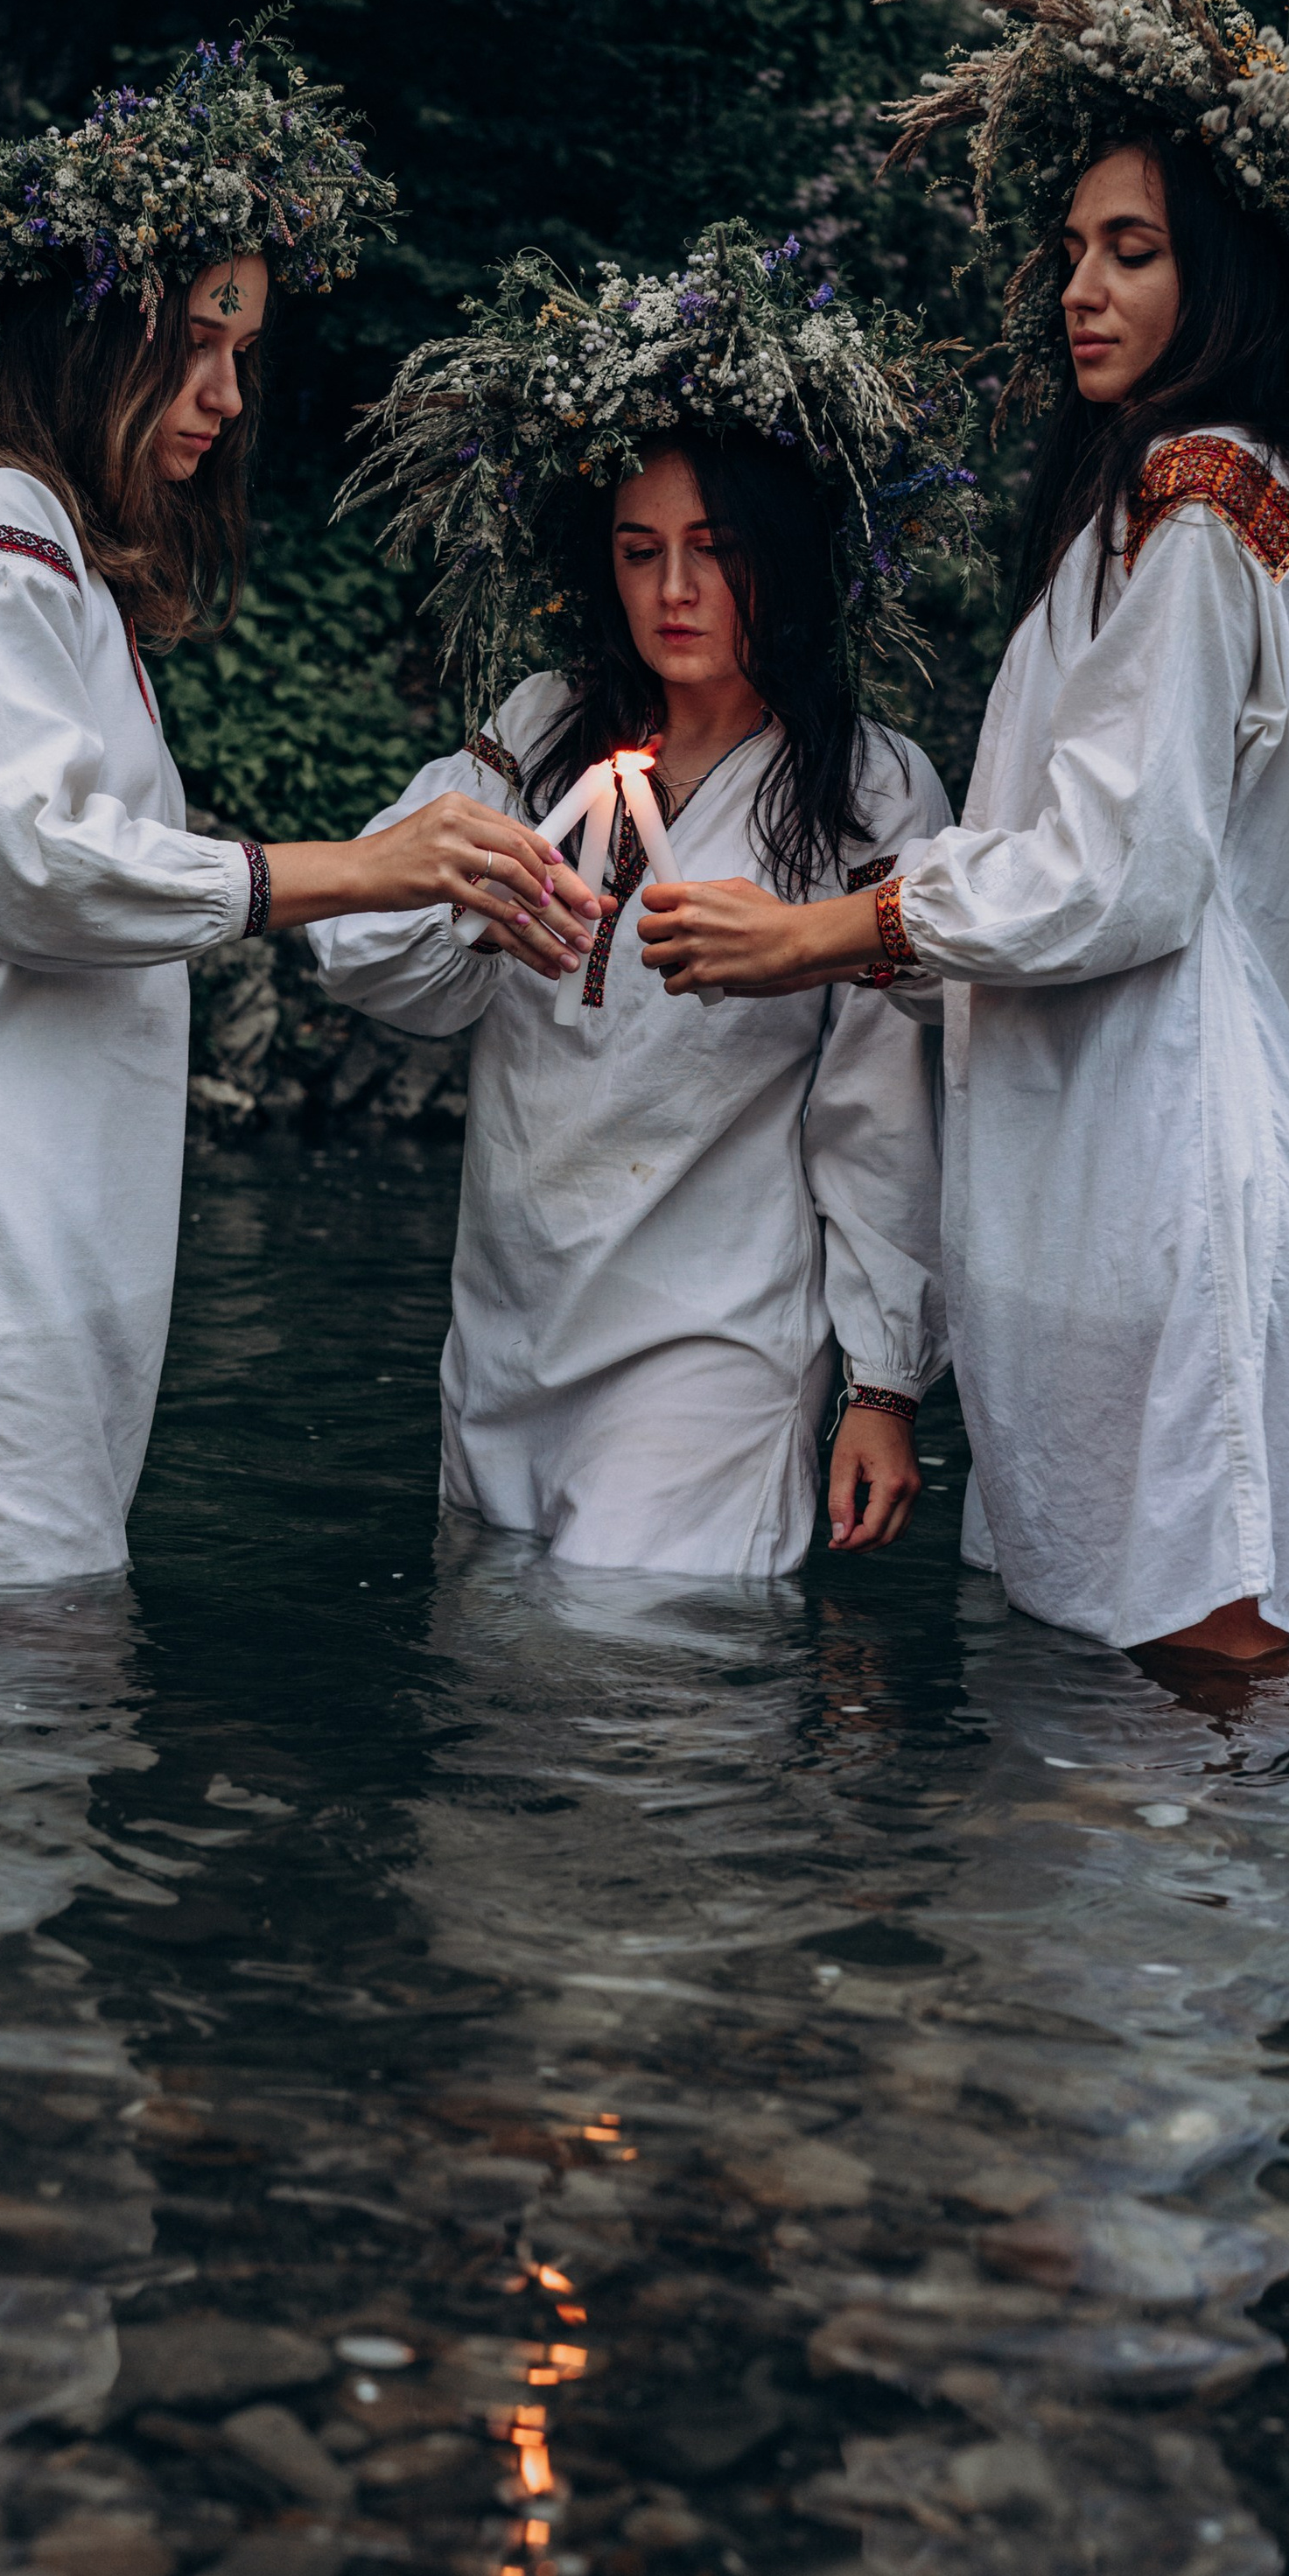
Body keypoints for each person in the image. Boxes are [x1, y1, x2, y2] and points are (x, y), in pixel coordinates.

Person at [639, 0, 1289, 1659]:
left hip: (1178, 1171)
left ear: (1222, 264)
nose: (1077, 286)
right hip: (1106, 1175)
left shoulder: (1201, 503)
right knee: (1102, 1749)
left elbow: (1114, 865)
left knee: (1199, 1694)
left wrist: (819, 934)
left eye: (1128, 247)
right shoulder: (1174, 511)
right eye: (1067, 248)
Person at [0, 32, 599, 1592]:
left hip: (27, 1259)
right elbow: (34, 869)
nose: (224, 394)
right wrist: (359, 867)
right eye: (198, 341)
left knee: (11, 1744)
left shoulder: (64, 579)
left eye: (243, 353)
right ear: (91, 336)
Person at [311, 221, 979, 1574]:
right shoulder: (541, 728)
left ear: (781, 556)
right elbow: (364, 957)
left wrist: (888, 1384)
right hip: (510, 1323)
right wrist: (475, 899)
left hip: (710, 1345)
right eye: (637, 549)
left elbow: (879, 1108)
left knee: (649, 1703)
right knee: (505, 1725)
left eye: (714, 547)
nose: (673, 591)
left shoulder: (863, 786)